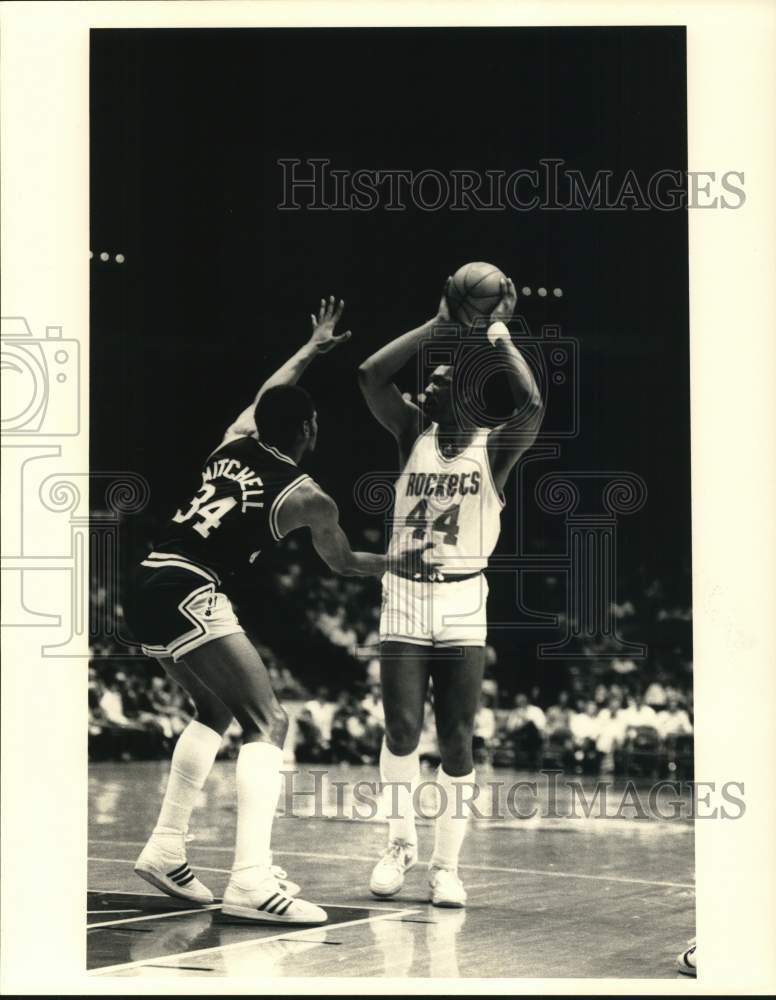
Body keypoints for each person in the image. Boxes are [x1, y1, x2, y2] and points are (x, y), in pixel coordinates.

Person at [125, 297, 437, 925]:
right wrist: (399, 563)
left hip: (145, 582)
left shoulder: (232, 442)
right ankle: (249, 880)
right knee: (270, 723)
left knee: (213, 710)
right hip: (190, 587)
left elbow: (272, 391)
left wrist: (311, 349)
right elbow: (346, 564)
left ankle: (165, 849)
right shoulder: (309, 498)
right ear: (309, 432)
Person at [358, 275, 543, 906]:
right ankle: (398, 843)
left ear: (463, 393)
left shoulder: (493, 454)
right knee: (403, 728)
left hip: (465, 598)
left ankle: (446, 866)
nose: (423, 387)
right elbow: (369, 375)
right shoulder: (412, 435)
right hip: (405, 594)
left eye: (436, 382)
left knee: (458, 738)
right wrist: (437, 325)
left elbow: (532, 404)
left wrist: (498, 333)